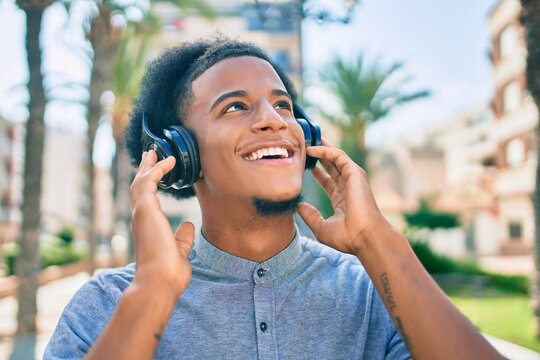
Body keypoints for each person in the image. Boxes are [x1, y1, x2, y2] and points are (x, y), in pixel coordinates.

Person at [44, 35, 504, 360]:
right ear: (180, 153)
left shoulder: (376, 295)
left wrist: (376, 240)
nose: (275, 121)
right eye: (236, 106)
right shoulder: (104, 306)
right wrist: (153, 293)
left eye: (282, 105)